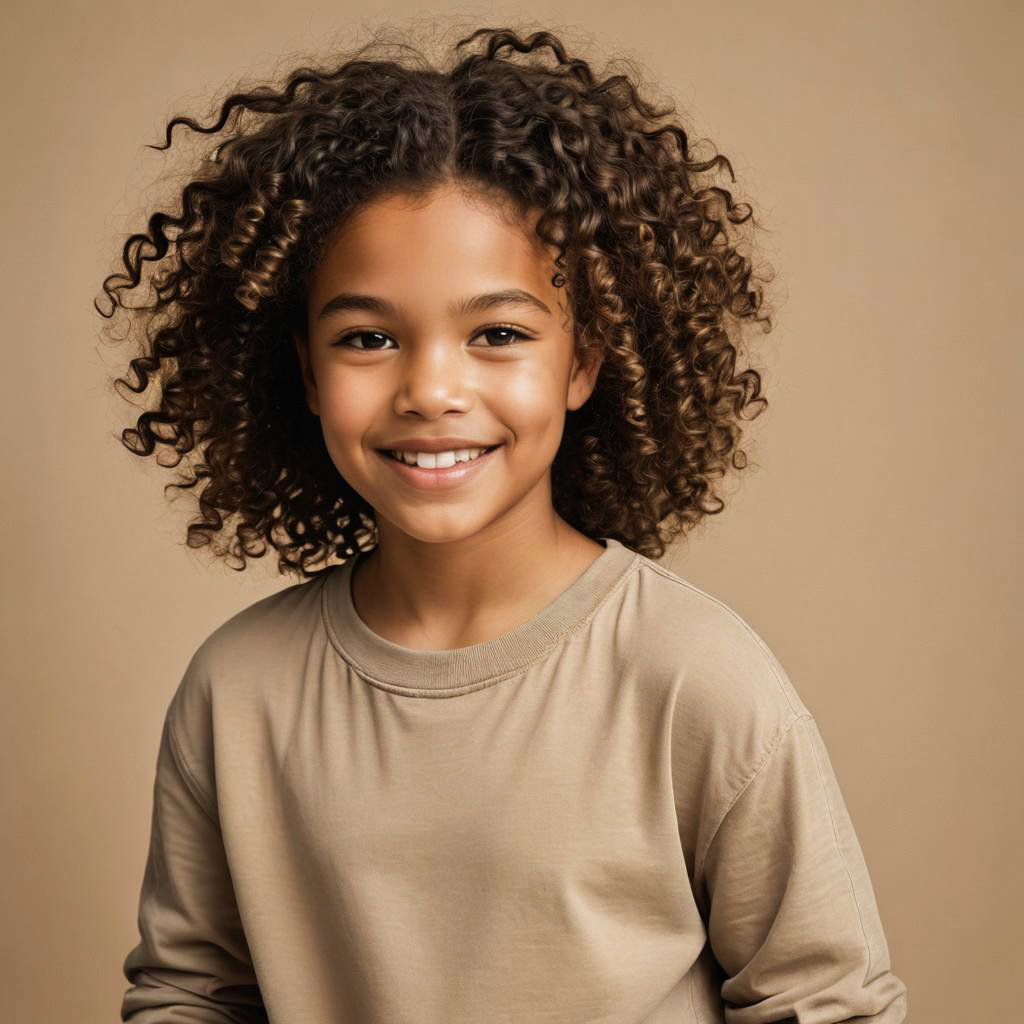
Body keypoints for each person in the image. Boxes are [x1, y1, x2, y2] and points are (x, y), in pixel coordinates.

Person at [99, 22, 908, 1024]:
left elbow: (826, 1002)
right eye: (367, 337)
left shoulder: (694, 676)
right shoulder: (237, 693)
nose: (431, 389)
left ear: (582, 363)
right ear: (304, 371)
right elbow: (190, 995)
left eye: (498, 333)